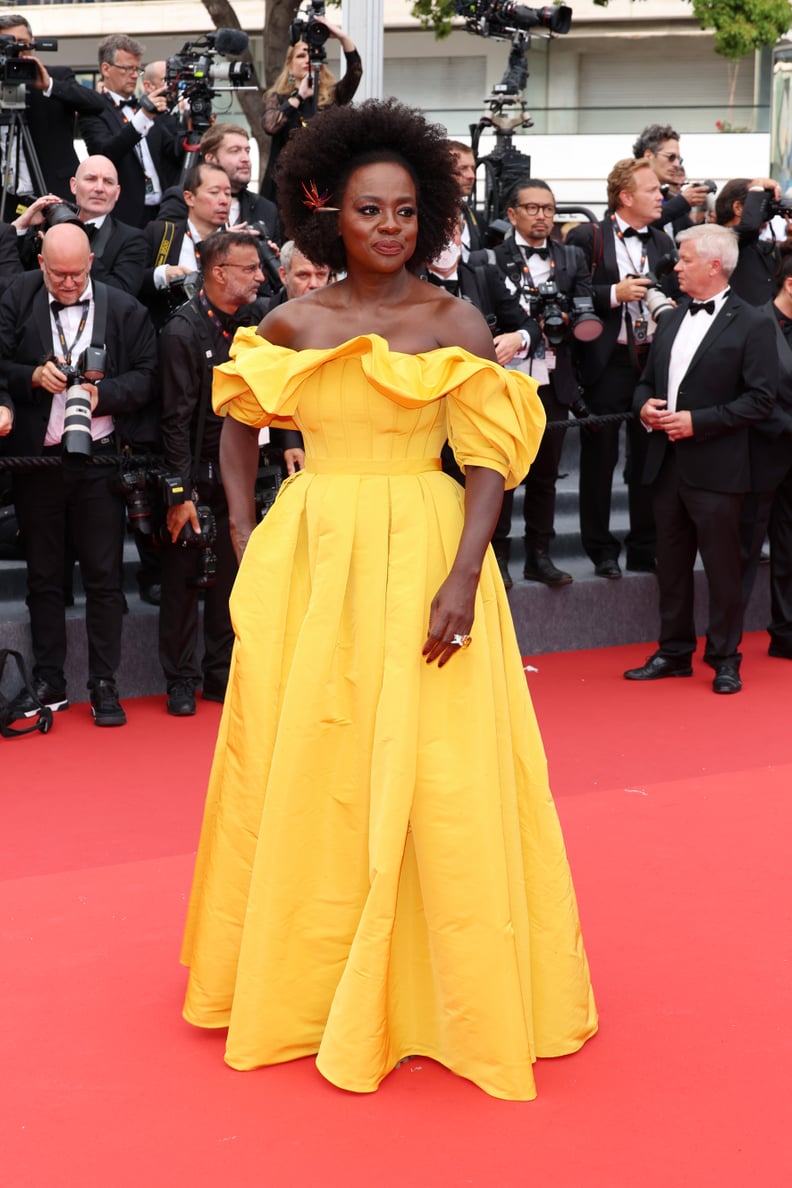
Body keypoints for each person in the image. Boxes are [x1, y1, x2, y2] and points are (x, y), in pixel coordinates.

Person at [180, 99, 597, 1101]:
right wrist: (242, 527)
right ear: (331, 212)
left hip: (423, 546)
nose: (389, 229)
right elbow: (240, 419)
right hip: (317, 555)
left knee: (437, 769)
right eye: (371, 211)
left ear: (431, 215)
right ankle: (312, 979)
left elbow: (490, 458)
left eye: (406, 211)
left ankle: (432, 991)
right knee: (313, 755)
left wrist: (463, 573)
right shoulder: (291, 320)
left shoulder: (452, 320)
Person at [0, 223, 158, 725]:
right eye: (58, 274)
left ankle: (105, 682)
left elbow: (148, 378)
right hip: (36, 461)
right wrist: (28, 377)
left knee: (105, 577)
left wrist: (100, 394)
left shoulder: (124, 308)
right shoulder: (16, 295)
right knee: (44, 576)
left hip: (101, 460)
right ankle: (50, 679)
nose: (68, 284)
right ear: (40, 263)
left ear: (92, 261)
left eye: (76, 273)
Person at [624, 224, 777, 695]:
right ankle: (673, 652)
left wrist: (698, 422)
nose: (675, 267)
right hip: (666, 466)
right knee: (669, 566)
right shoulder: (670, 320)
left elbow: (761, 400)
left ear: (714, 265)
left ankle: (725, 657)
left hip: (719, 469)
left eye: (685, 259)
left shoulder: (754, 322)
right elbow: (646, 382)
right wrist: (643, 408)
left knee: (723, 569)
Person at [157, 230, 303, 718]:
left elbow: (280, 394)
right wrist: (179, 493)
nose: (262, 277)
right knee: (182, 580)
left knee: (234, 577)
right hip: (195, 474)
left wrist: (288, 444)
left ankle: (221, 674)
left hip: (245, 471)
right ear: (220, 273)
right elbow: (174, 420)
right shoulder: (183, 330)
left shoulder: (259, 323)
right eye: (251, 269)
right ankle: (180, 680)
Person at [567, 159, 677, 577]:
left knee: (650, 455)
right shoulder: (587, 235)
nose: (661, 196)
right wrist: (615, 292)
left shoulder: (663, 241)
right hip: (607, 361)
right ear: (626, 197)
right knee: (600, 457)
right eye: (652, 190)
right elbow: (571, 290)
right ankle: (601, 550)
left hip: (651, 359)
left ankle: (644, 546)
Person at [492, 177, 594, 586]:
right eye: (532, 208)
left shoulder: (571, 257)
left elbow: (586, 310)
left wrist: (566, 319)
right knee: (499, 474)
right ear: (512, 214)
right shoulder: (490, 259)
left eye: (549, 209)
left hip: (553, 378)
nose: (542, 216)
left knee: (545, 473)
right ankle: (496, 557)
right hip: (506, 379)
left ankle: (539, 555)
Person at [0, 14, 105, 210]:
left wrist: (49, 86)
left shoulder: (55, 76)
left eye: (22, 43)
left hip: (54, 192)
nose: (16, 51)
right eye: (7, 44)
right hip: (7, 200)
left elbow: (97, 104)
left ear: (33, 44)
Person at [79, 35, 183, 228]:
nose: (134, 75)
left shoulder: (149, 107)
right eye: (127, 68)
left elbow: (173, 152)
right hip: (123, 215)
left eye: (137, 69)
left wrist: (191, 124)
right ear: (105, 69)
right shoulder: (93, 108)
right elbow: (105, 153)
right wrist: (143, 116)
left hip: (162, 213)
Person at [12, 156, 148, 297]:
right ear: (74, 185)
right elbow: (12, 276)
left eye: (108, 182)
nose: (99, 188)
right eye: (91, 179)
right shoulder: (47, 225)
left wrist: (72, 243)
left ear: (117, 192)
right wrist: (21, 225)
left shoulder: (133, 240)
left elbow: (123, 295)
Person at [261, 18, 362, 202]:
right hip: (286, 185)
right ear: (290, 66)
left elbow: (355, 71)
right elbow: (271, 126)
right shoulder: (278, 97)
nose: (307, 59)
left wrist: (341, 36)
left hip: (323, 181)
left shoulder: (332, 96)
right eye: (301, 55)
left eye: (313, 54)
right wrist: (299, 97)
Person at [141, 162, 231, 328]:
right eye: (214, 192)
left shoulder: (237, 245)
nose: (224, 201)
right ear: (189, 198)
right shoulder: (162, 234)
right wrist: (162, 274)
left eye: (228, 193)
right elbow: (133, 282)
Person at [447, 140, 483, 259]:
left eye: (472, 168)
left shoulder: (474, 217)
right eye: (462, 168)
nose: (471, 175)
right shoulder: (417, 216)